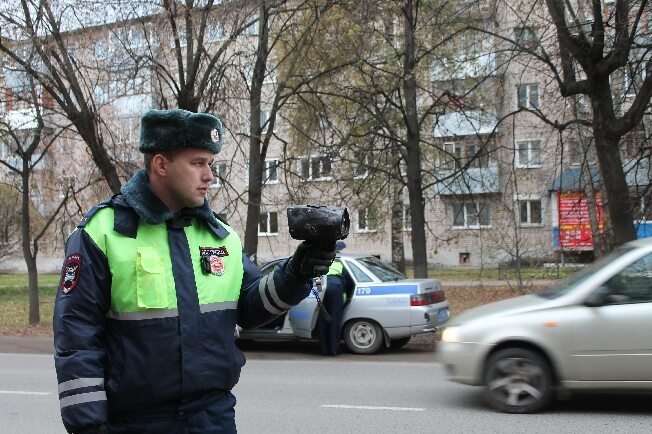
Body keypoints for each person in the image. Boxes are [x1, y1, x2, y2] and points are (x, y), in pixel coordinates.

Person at [53, 108, 335, 434]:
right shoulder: (103, 232)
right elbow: (77, 337)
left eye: (211, 164)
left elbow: (251, 307)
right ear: (161, 164)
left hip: (212, 418)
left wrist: (296, 273)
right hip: (136, 423)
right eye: (197, 163)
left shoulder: (220, 234)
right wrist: (89, 427)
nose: (209, 175)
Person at [317, 241, 347, 356]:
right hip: (335, 287)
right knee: (335, 320)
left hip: (323, 288)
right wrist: (343, 295)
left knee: (322, 319)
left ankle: (323, 350)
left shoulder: (320, 259)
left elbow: (317, 277)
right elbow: (345, 280)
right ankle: (334, 349)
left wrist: (319, 292)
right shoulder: (339, 260)